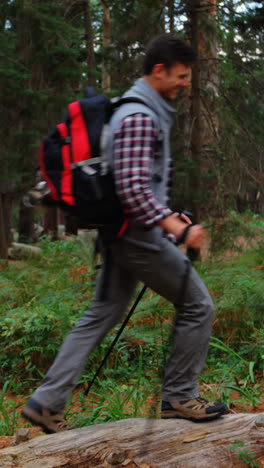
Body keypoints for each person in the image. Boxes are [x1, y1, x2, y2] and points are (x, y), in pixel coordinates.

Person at [22, 34, 227, 434]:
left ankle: (45, 404)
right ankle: (180, 396)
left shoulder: (140, 110)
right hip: (135, 235)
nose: (186, 83)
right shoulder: (139, 117)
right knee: (198, 305)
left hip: (126, 231)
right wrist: (177, 229)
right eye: (182, 76)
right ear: (158, 71)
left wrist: (168, 218)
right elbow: (132, 190)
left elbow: (138, 185)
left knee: (100, 314)